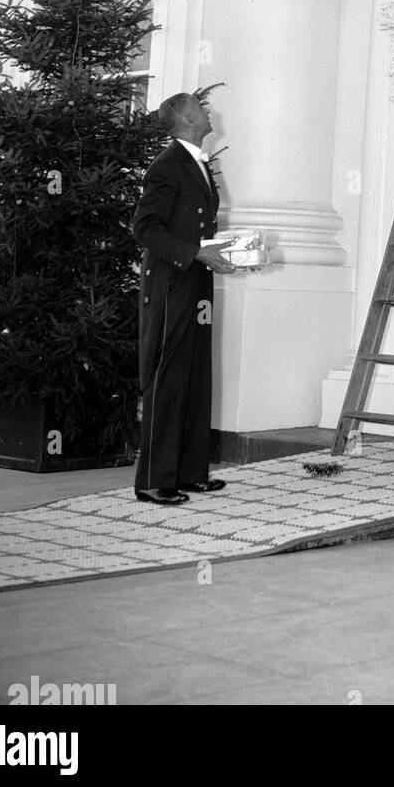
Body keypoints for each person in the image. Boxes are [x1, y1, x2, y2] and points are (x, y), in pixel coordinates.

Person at [132, 92, 236, 505]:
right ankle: (154, 481)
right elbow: (145, 228)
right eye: (201, 107)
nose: (208, 111)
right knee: (168, 380)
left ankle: (190, 473)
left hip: (194, 283)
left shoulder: (194, 161)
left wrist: (220, 251)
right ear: (188, 117)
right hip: (172, 285)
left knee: (195, 375)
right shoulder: (167, 165)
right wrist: (195, 253)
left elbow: (189, 226)